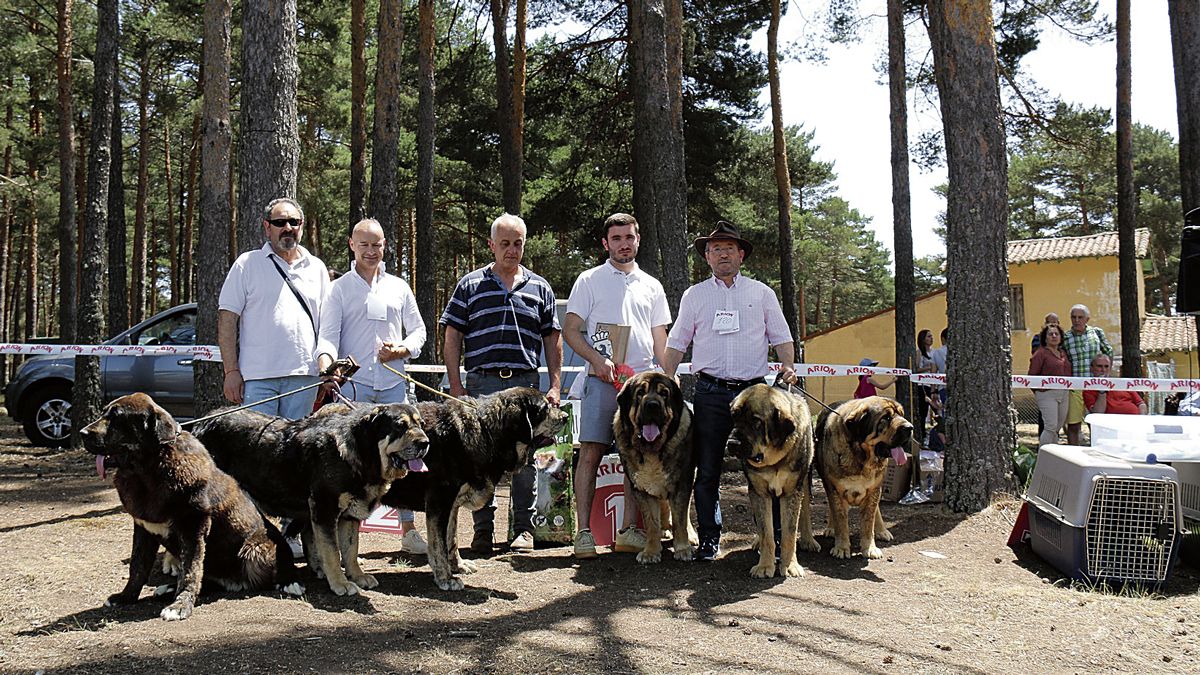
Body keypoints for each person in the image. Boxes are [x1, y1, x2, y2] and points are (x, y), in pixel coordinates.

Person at [662, 220, 796, 562]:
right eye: (716, 249)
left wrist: (788, 366)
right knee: (707, 470)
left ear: (741, 255)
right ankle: (709, 538)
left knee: (765, 468)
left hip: (755, 397)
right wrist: (666, 375)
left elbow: (781, 337)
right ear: (707, 256)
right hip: (710, 393)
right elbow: (678, 341)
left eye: (729, 248)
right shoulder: (695, 296)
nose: (723, 254)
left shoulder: (762, 293)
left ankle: (773, 538)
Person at [440, 213, 562, 554]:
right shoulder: (469, 285)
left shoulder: (541, 288)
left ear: (525, 244)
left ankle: (523, 529)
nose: (511, 250)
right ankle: (482, 531)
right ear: (491, 245)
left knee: (525, 459)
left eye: (517, 243)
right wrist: (456, 386)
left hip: (525, 386)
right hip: (481, 384)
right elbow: (452, 337)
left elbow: (553, 339)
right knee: (480, 460)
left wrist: (553, 386)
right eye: (504, 243)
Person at [315, 218, 428, 554]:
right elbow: (327, 337)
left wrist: (402, 350)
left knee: (406, 458)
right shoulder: (339, 289)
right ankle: (348, 542)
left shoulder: (399, 286)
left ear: (385, 246)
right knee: (352, 465)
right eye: (363, 244)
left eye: (376, 244)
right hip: (355, 391)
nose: (370, 251)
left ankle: (409, 530)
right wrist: (326, 365)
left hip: (394, 388)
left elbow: (419, 332)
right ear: (352, 245)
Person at [563, 213, 671, 560]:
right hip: (601, 382)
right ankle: (583, 534)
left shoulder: (652, 285)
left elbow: (659, 337)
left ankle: (629, 530)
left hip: (641, 391)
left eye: (629, 237)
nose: (624, 243)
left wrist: (667, 374)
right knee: (590, 454)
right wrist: (596, 360)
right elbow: (571, 329)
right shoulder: (589, 280)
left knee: (635, 457)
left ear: (638, 240)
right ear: (605, 243)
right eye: (617, 238)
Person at [218, 197, 330, 421]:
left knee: (296, 451)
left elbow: (328, 324)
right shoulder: (246, 264)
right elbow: (227, 320)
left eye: (294, 222)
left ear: (302, 225)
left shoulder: (317, 268)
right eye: (280, 222)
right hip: (258, 377)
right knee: (258, 451)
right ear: (267, 227)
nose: (288, 228)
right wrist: (231, 372)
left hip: (304, 376)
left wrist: (325, 371)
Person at [1063, 304, 1114, 443]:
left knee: (1096, 424)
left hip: (1095, 386)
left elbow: (1108, 352)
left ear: (1087, 319)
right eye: (1073, 317)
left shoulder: (1097, 333)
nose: (1076, 320)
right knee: (1073, 425)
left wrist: (1106, 375)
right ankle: (1073, 457)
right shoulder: (1066, 337)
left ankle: (1098, 452)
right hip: (1075, 386)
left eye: (1080, 317)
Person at [1028, 323, 1072, 447]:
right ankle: (1043, 456)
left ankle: (1053, 456)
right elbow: (1032, 375)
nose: (1054, 336)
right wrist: (1040, 391)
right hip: (1047, 394)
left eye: (1056, 334)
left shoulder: (1063, 353)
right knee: (1050, 426)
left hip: (1064, 393)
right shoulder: (1040, 353)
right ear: (1045, 337)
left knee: (1057, 427)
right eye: (1050, 334)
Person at [1031, 313, 1060, 438]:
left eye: (1055, 322)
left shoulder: (1061, 340)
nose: (1052, 325)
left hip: (1060, 387)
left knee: (1057, 421)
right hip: (1044, 386)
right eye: (1049, 322)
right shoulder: (1038, 339)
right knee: (1045, 420)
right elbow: (1037, 355)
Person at [913, 329, 936, 444]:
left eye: (932, 336)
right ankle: (921, 434)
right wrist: (929, 368)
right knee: (923, 411)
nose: (931, 338)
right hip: (922, 384)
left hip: (933, 383)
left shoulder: (934, 352)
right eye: (928, 337)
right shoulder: (919, 353)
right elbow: (916, 369)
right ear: (923, 339)